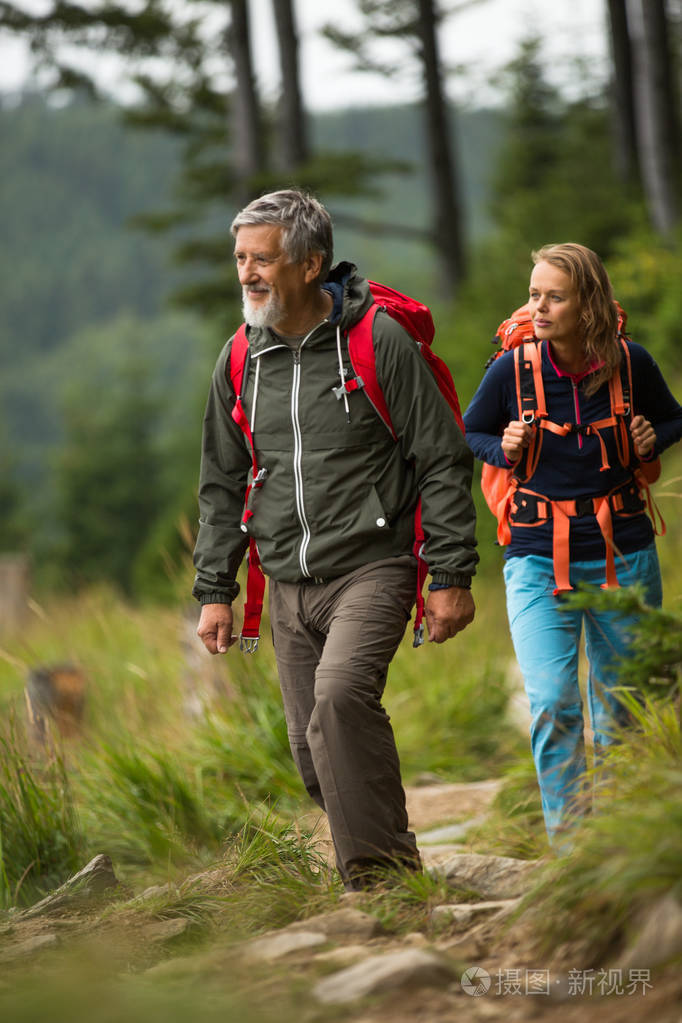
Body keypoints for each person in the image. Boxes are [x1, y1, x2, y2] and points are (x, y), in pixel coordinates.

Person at [192, 189, 478, 889]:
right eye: (240, 258)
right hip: (285, 580)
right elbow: (223, 483)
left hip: (373, 565)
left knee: (342, 699)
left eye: (264, 258)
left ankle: (377, 885)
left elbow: (441, 458)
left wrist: (450, 574)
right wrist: (214, 590)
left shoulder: (377, 340)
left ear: (311, 263)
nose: (248, 273)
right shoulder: (239, 359)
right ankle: (397, 863)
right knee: (309, 746)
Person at [464, 243, 682, 845]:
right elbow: (472, 430)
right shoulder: (511, 370)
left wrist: (648, 439)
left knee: (625, 709)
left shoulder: (632, 364)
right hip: (535, 557)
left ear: (587, 305)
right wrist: (500, 448)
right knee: (553, 703)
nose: (537, 307)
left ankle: (620, 843)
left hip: (625, 554)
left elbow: (673, 418)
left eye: (553, 297)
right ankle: (571, 848)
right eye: (534, 294)